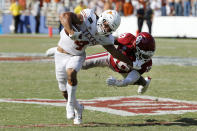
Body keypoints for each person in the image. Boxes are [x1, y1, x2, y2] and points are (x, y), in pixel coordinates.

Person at [54, 9, 133, 125]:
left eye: (110, 29)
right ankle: (78, 108)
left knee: (71, 73)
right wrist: (71, 32)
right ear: (102, 19)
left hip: (77, 55)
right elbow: (64, 16)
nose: (106, 29)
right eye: (106, 25)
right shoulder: (88, 18)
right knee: (63, 89)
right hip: (60, 54)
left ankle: (70, 105)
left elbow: (114, 52)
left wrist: (131, 63)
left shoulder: (105, 37)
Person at [82, 32, 155, 92]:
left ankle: (145, 83)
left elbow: (128, 81)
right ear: (136, 47)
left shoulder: (146, 63)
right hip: (110, 59)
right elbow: (109, 40)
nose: (146, 58)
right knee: (83, 63)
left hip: (127, 71)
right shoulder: (127, 39)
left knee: (137, 80)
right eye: (144, 54)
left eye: (148, 55)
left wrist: (117, 82)